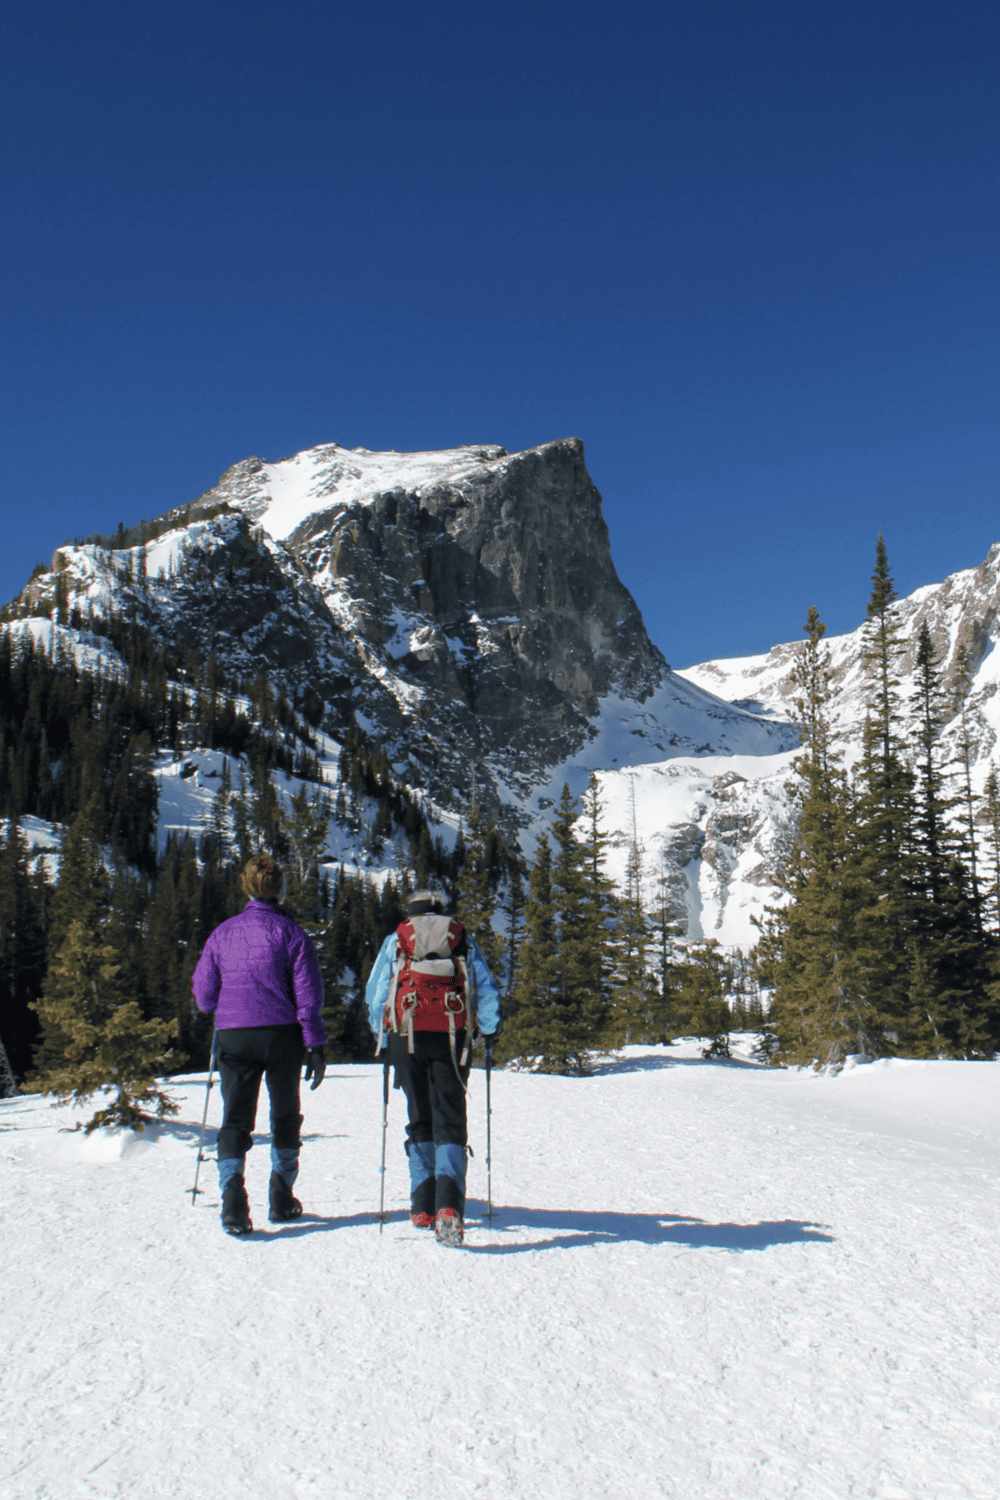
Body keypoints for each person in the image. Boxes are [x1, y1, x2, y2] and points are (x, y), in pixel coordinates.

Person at [192, 854, 327, 1235]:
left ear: (246, 886)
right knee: (284, 1116)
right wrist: (315, 1045)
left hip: (234, 1034)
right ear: (278, 888)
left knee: (235, 1119)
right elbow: (308, 998)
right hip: (281, 1034)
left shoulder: (222, 933)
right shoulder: (292, 933)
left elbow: (204, 997)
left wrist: (231, 1006)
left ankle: (233, 1202)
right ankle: (281, 1199)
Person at [366, 888, 500, 1245]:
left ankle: (422, 1205)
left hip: (405, 1034)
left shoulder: (397, 940)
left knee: (419, 1115)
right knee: (450, 1118)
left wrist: (380, 1031)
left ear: (411, 911)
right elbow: (484, 987)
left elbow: (377, 991)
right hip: (452, 1037)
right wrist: (488, 1027)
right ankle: (449, 1208)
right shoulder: (460, 939)